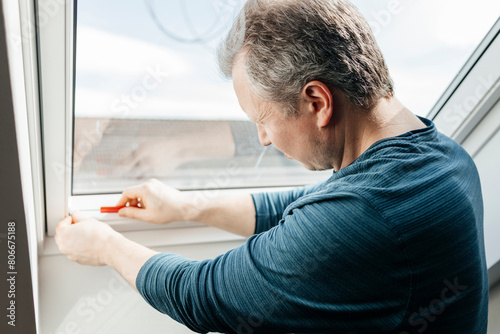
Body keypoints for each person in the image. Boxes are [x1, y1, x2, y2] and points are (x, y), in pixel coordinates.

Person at [55, 0, 488, 333]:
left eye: (262, 120)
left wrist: (105, 246)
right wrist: (187, 207)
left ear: (317, 102)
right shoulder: (442, 155)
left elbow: (201, 292)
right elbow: (307, 204)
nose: (262, 138)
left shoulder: (370, 215)